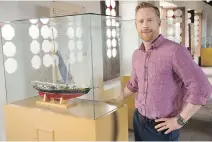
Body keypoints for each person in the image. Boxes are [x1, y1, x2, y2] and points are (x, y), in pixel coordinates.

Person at [114, 2, 212, 141]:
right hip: (138, 120)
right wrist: (116, 100)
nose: (145, 25)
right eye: (141, 21)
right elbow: (133, 84)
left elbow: (202, 88)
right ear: (136, 25)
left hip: (162, 127)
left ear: (159, 23)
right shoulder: (137, 54)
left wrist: (180, 120)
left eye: (150, 20)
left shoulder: (175, 51)